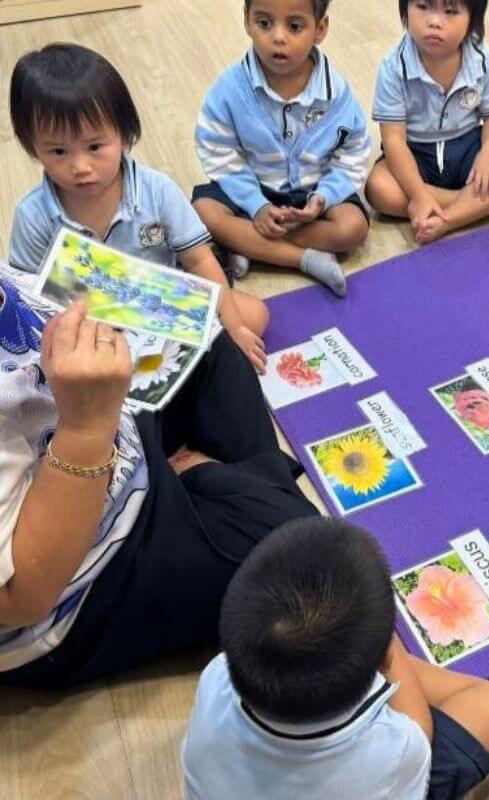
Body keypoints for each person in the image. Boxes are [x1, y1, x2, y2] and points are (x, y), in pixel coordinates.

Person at [0, 285, 318, 689]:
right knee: (305, 558)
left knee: (207, 335)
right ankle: (207, 478)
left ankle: (213, 484)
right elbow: (22, 599)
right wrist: (87, 427)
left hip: (107, 422)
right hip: (84, 583)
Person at [181, 517, 489, 799]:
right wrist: (386, 650)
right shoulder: (396, 750)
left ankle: (356, 662)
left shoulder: (215, 676)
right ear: (385, 659)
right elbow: (420, 729)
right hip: (379, 774)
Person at [7, 44, 269, 373]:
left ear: (124, 136)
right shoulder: (34, 215)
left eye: (94, 146)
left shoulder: (156, 190)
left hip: (163, 307)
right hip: (88, 322)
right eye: (59, 151)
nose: (80, 166)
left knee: (253, 315)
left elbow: (200, 259)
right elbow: (27, 294)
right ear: (33, 146)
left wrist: (233, 329)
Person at [193, 0, 371, 297]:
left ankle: (249, 242)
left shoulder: (335, 92)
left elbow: (351, 151)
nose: (278, 37)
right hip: (251, 188)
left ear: (320, 29)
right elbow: (217, 150)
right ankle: (305, 258)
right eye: (264, 23)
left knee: (353, 228)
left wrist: (322, 199)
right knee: (203, 212)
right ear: (247, 21)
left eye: (294, 26)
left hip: (312, 194)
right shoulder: (230, 89)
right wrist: (255, 204)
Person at [364, 0, 489, 244]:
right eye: (422, 7)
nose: (434, 21)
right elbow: (394, 141)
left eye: (450, 12)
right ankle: (477, 205)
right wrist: (418, 195)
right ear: (405, 9)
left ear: (472, 20)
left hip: (467, 150)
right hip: (415, 156)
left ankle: (448, 219)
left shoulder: (482, 58)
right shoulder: (393, 67)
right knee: (378, 188)